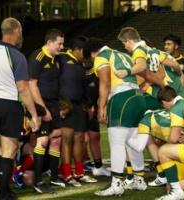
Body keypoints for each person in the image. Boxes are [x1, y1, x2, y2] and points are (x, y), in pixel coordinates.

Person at [0, 17, 40, 200]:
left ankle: (3, 190)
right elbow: (23, 88)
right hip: (9, 105)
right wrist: (34, 114)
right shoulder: (16, 55)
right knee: (9, 150)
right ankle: (3, 193)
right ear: (16, 31)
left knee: (0, 149)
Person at [82, 38, 147, 196]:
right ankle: (139, 179)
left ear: (92, 52)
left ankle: (116, 183)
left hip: (121, 97)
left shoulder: (101, 56)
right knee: (132, 140)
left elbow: (105, 82)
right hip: (137, 96)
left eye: (91, 58)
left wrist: (101, 106)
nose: (93, 61)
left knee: (117, 142)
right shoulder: (121, 54)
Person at [27, 28, 66, 193]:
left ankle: (55, 178)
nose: (62, 47)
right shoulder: (38, 57)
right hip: (41, 106)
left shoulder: (56, 58)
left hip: (54, 105)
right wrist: (43, 109)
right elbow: (31, 84)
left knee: (56, 140)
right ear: (49, 43)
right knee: (42, 142)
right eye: (59, 43)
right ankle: (38, 181)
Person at [58, 35, 97, 185]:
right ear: (76, 49)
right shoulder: (61, 58)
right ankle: (67, 174)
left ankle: (80, 172)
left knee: (80, 139)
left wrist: (88, 105)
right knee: (67, 139)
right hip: (65, 106)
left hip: (79, 106)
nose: (86, 56)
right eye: (84, 52)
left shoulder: (81, 65)